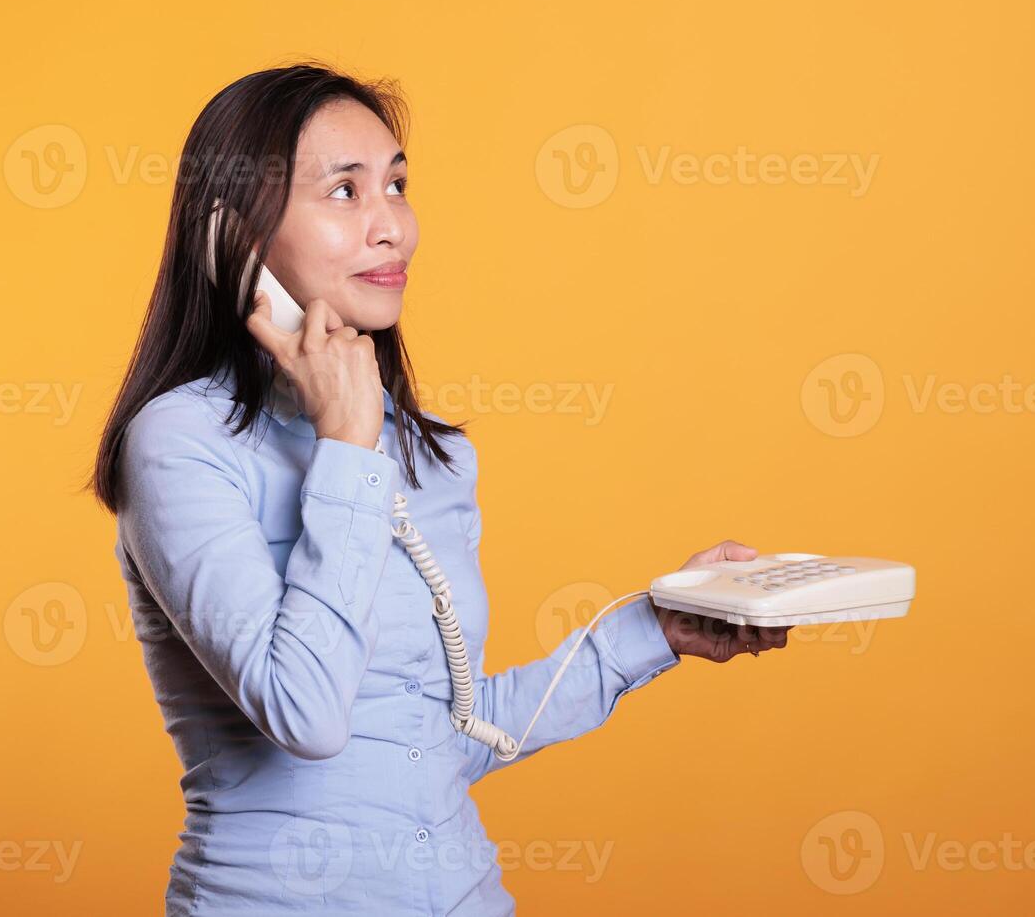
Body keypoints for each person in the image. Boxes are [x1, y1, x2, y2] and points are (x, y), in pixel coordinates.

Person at [86, 62, 788, 915]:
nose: (393, 228)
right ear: (234, 241)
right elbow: (303, 714)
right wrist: (347, 445)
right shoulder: (180, 444)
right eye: (344, 191)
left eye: (397, 185)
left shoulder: (429, 456)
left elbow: (439, 735)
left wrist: (653, 630)